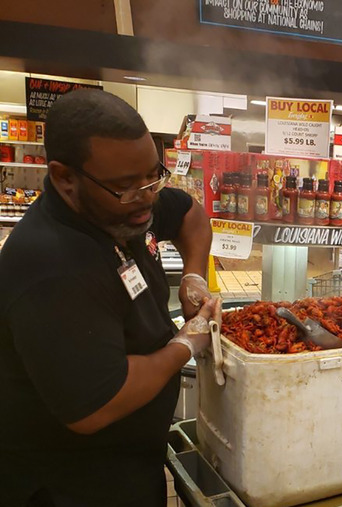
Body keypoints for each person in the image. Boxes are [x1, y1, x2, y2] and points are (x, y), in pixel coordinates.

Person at [0, 89, 218, 506]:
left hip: (132, 471)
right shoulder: (51, 265)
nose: (147, 197)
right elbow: (97, 404)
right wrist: (185, 343)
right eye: (125, 188)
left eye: (153, 177)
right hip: (71, 487)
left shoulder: (128, 202)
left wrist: (193, 274)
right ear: (65, 178)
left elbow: (189, 213)